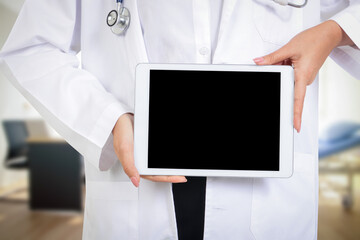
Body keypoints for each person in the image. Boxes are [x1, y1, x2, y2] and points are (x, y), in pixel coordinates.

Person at [0, 0, 359, 239]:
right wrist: (109, 120)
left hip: (266, 190)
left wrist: (335, 32)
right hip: (138, 177)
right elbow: (30, 48)